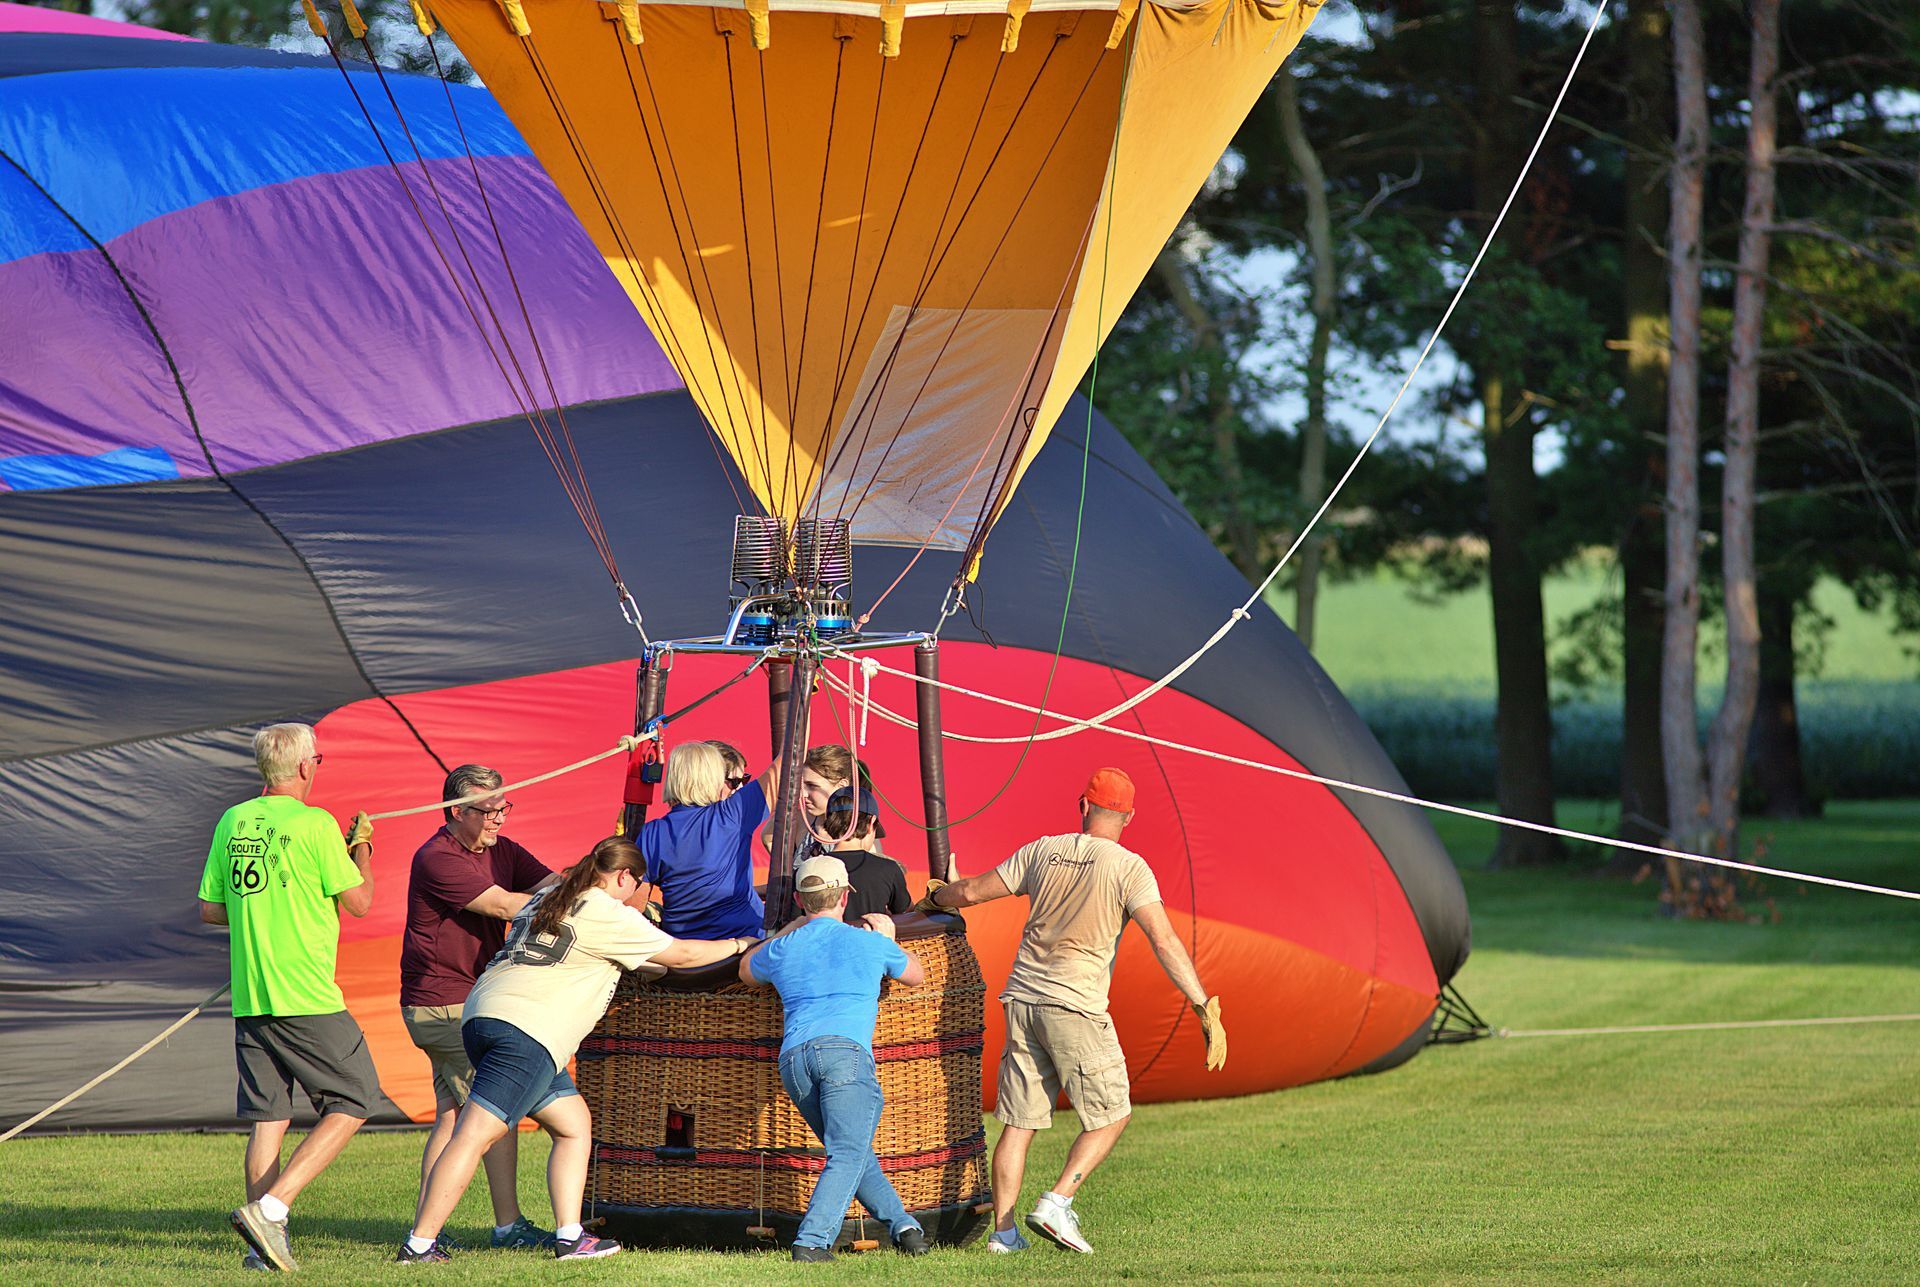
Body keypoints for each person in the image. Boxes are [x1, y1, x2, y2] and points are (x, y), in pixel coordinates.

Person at [399, 837, 754, 1263]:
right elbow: (681, 954)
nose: (645, 896)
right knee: (474, 1135)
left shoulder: (554, 895)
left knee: (573, 1125)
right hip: (526, 1029)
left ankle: (570, 1237)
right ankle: (419, 1244)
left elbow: (626, 959)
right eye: (644, 885)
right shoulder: (608, 912)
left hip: (482, 1016)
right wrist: (742, 944)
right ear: (625, 877)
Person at [918, 768, 1227, 1255]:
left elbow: (972, 892)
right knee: (1111, 1115)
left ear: (1083, 806)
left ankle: (1003, 1235)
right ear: (1128, 817)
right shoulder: (1129, 868)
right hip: (1075, 1005)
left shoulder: (1042, 850)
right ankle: (1057, 1202)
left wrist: (937, 896)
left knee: (1018, 1124)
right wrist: (1202, 1006)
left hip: (1021, 998)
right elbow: (1163, 939)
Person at [196, 722, 378, 1273]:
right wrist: (363, 846)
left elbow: (212, 909)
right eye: (317, 761)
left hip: (253, 997)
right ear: (304, 767)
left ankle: (262, 1250)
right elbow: (363, 901)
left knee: (269, 1119)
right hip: (307, 994)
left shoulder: (233, 820)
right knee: (357, 1097)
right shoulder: (317, 824)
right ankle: (271, 1209)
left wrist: (264, 910)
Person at [738, 855, 930, 1262]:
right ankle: (812, 1241)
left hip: (794, 1061)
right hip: (845, 1054)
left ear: (799, 899)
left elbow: (745, 971)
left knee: (852, 1149)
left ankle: (905, 1227)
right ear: (845, 896)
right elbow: (917, 975)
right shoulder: (869, 943)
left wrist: (790, 928)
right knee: (847, 1151)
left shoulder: (784, 946)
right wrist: (890, 939)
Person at [399, 764, 558, 1252]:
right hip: (444, 1004)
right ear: (454, 811)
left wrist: (586, 882)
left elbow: (550, 882)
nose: (498, 820)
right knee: (495, 1109)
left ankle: (430, 1227)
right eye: (487, 811)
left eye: (503, 808)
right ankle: (504, 1227)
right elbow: (508, 907)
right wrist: (582, 906)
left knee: (451, 1117)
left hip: (461, 1002)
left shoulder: (502, 850)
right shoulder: (436, 858)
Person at [638, 741, 778, 940]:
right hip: (743, 944)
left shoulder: (651, 833)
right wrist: (800, 710)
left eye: (744, 781)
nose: (739, 789)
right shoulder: (731, 815)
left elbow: (633, 906)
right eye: (733, 781)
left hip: (684, 950)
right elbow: (787, 764)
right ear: (711, 778)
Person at [818, 785, 911, 921]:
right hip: (871, 941)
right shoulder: (888, 869)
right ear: (871, 823)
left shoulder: (809, 869)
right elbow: (908, 915)